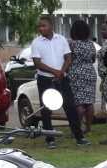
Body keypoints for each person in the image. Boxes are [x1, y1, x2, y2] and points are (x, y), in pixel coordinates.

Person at [30, 16, 88, 149]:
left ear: (51, 26)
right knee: (46, 109)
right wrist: (55, 72)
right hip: (45, 78)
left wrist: (61, 73)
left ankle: (79, 137)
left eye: (44, 26)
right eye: (39, 26)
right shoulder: (36, 42)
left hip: (62, 77)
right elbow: (37, 63)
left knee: (70, 106)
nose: (41, 28)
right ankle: (50, 139)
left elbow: (68, 57)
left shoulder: (61, 39)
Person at [67, 20, 98, 136]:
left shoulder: (72, 44)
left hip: (76, 73)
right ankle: (88, 129)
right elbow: (93, 59)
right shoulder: (91, 44)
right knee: (89, 102)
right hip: (90, 72)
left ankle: (76, 129)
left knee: (78, 103)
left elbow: (67, 60)